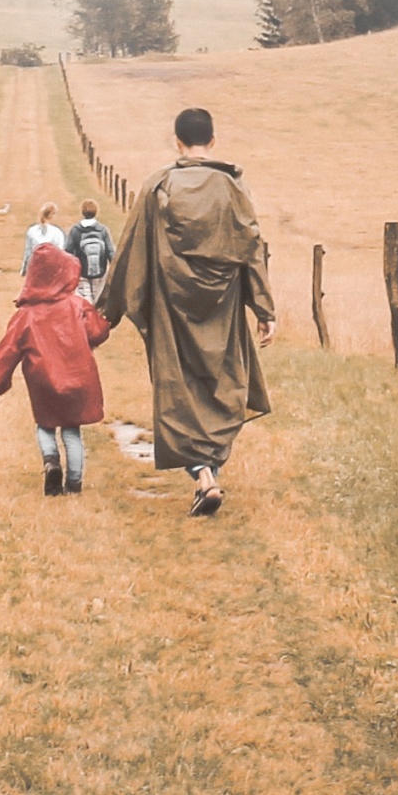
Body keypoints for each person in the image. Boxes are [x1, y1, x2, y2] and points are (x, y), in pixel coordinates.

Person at [101, 106, 275, 516]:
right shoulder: (234, 187)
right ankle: (209, 468)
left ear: (177, 140)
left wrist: (106, 311)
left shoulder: (159, 185)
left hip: (171, 306)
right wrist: (264, 308)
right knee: (222, 384)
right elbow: (251, 247)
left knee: (177, 390)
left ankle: (202, 474)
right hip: (225, 306)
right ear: (212, 140)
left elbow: (129, 249)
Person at [0, 243, 110, 496]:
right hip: (78, 377)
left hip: (42, 380)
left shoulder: (26, 314)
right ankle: (74, 484)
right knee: (72, 430)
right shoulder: (77, 306)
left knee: (45, 425)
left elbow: (8, 349)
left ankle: (51, 461)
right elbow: (97, 333)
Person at [64, 197, 117, 303]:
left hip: (82, 273)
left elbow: (68, 252)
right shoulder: (103, 230)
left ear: (82, 212)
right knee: (98, 302)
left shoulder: (75, 231)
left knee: (86, 303)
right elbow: (110, 252)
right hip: (100, 272)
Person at [21, 200, 64, 274]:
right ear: (52, 215)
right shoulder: (57, 232)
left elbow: (28, 252)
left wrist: (24, 269)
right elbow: (60, 253)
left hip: (35, 267)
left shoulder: (32, 231)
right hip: (51, 268)